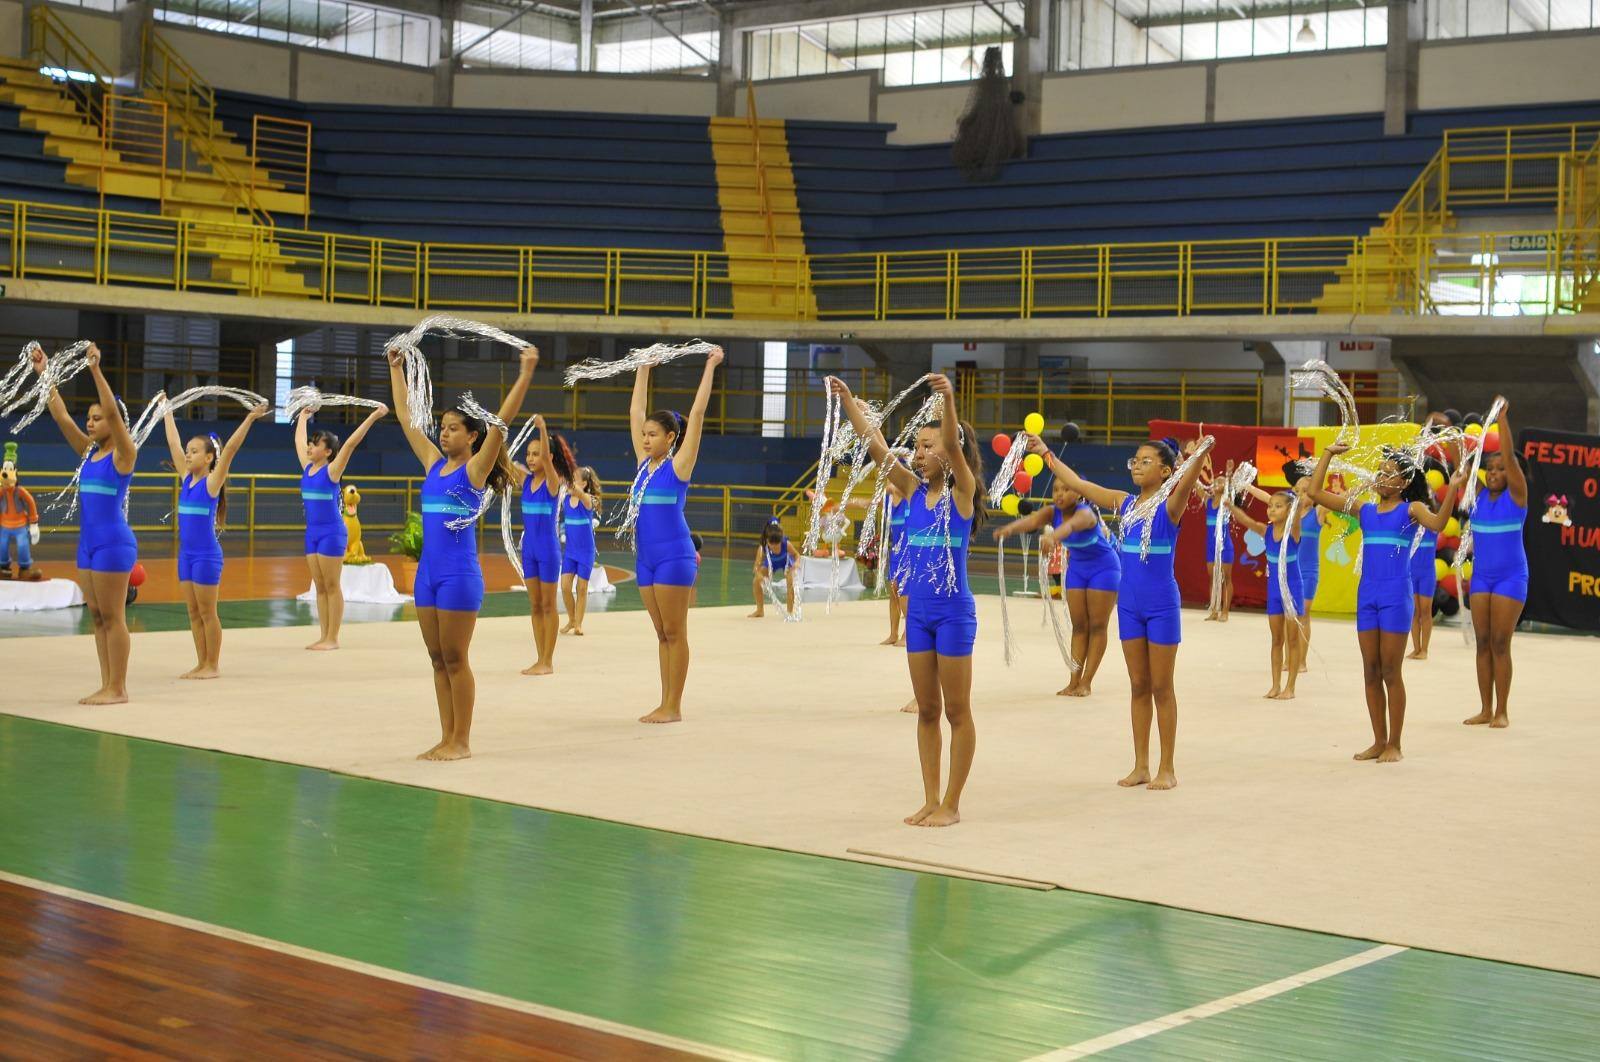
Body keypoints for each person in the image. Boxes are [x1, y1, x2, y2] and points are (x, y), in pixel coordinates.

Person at [830, 373, 984, 827]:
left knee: (957, 711)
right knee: (927, 712)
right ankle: (931, 797)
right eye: (916, 446)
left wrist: (949, 399)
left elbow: (956, 449)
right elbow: (875, 444)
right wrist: (848, 404)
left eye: (927, 446)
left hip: (954, 614)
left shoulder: (962, 495)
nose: (918, 454)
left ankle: (953, 803)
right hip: (919, 616)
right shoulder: (913, 493)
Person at [386, 343, 533, 760]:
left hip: (458, 578)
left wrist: (523, 375)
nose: (443, 432)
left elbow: (501, 425)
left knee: (455, 657)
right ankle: (446, 735)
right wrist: (396, 368)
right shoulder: (432, 464)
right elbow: (403, 415)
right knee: (436, 659)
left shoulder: (474, 471)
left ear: (472, 436)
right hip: (428, 577)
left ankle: (462, 740)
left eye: (453, 428)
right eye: (442, 426)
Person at [1048, 437, 1208, 790]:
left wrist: (1199, 455)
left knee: (1162, 687)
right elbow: (1079, 484)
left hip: (1162, 606)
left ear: (1165, 471)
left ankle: (1167, 767)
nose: (1136, 465)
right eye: (1134, 460)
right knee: (1138, 686)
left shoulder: (1169, 508)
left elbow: (1186, 483)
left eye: (1146, 461)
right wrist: (1045, 453)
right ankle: (1141, 766)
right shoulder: (1125, 504)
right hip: (1131, 607)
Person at [1306, 442, 1465, 763]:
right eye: (1379, 471)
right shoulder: (1364, 510)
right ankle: (1378, 740)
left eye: (1388, 473)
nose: (1380, 476)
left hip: (1395, 597)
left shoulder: (1411, 510)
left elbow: (1437, 523)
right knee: (1370, 671)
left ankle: (1396, 743)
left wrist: (1454, 490)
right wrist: (1328, 454)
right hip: (1368, 597)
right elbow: (1315, 493)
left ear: (1404, 483)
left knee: (1391, 671)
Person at [30, 343, 138, 704]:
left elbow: (113, 411)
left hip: (113, 544)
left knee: (113, 615)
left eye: (97, 418)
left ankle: (118, 688)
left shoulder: (125, 455)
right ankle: (107, 683)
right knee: (97, 617)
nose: (89, 423)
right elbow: (60, 415)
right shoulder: (89, 454)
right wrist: (44, 373)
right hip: (88, 544)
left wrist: (94, 369)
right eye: (88, 418)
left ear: (115, 421)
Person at [629, 347, 723, 724]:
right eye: (644, 435)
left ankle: (673, 705)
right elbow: (636, 413)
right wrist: (642, 370)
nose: (646, 438)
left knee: (674, 631)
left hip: (674, 556)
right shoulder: (642, 467)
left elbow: (698, 414)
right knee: (661, 634)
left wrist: (710, 366)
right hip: (646, 558)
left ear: (671, 437)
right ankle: (664, 701)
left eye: (653, 434)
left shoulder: (678, 466)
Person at [993, 437, 1121, 697]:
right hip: (1078, 569)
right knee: (1079, 626)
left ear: (1079, 492)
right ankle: (1073, 679)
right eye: (1056, 490)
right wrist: (1008, 529)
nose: (1060, 494)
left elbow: (1069, 528)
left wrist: (1053, 536)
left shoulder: (1086, 513)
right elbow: (1031, 521)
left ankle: (1087, 681)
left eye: (1066, 489)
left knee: (1097, 626)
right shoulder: (1053, 511)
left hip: (1104, 569)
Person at [161, 399, 274, 679]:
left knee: (208, 612)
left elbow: (232, 449)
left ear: (209, 458)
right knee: (192, 612)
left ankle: (213, 665)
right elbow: (173, 443)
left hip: (206, 556)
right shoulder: (186, 478)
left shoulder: (211, 483)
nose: (187, 455)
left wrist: (249, 419)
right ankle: (201, 663)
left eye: (194, 451)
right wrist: (166, 412)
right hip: (186, 556)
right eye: (188, 451)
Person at [297, 401, 386, 650]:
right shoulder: (307, 469)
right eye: (310, 443)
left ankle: (333, 638)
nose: (309, 446)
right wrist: (303, 416)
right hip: (312, 534)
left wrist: (374, 416)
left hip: (331, 533)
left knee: (332, 585)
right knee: (320, 586)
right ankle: (323, 635)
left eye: (315, 444)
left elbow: (349, 444)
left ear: (327, 452)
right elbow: (298, 440)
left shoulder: (332, 472)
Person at [1464, 399, 1529, 729]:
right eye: (1490, 469)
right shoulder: (1475, 498)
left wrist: (1502, 421)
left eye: (1501, 468)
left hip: (1510, 578)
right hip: (1482, 578)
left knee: (1501, 644)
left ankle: (1502, 710)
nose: (1494, 473)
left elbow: (1508, 455)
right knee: (1483, 642)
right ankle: (1485, 708)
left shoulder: (1517, 496)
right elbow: (1468, 464)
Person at [510, 413, 574, 675]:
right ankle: (539, 658)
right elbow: (502, 456)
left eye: (536, 454)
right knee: (535, 606)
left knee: (548, 605)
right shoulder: (525, 481)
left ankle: (548, 660)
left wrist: (543, 428)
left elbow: (548, 459)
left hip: (547, 550)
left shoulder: (552, 483)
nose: (531, 458)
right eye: (529, 454)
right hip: (530, 551)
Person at [1228, 486, 1305, 700]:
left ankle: (1290, 688)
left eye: (1278, 507)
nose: (1271, 510)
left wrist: (1299, 496)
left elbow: (1297, 511)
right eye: (1270, 506)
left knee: (1292, 640)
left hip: (1293, 588)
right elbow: (1247, 522)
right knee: (1276, 640)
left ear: (1289, 511)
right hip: (1274, 591)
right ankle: (1275, 685)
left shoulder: (1294, 531)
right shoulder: (1266, 531)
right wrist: (1231, 507)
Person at [559, 465, 601, 636]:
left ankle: (578, 624)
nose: (571, 482)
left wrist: (568, 483)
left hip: (585, 552)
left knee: (582, 588)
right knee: (565, 587)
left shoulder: (587, 500)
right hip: (570, 552)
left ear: (583, 484)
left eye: (574, 479)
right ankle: (571, 619)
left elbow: (579, 493)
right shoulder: (566, 500)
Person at [749, 519, 798, 618]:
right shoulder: (762, 548)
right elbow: (756, 567)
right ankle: (760, 610)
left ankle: (790, 613)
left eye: (777, 545)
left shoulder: (786, 544)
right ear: (767, 541)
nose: (775, 548)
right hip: (771, 563)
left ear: (781, 540)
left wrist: (796, 563)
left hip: (786, 562)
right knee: (756, 581)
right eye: (772, 545)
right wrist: (759, 575)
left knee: (790, 582)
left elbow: (797, 555)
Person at [1408, 520, 1439, 661]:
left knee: (1425, 611)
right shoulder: (1410, 528)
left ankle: (1424, 649)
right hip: (1412, 573)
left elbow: (1440, 519)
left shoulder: (1432, 528)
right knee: (1415, 611)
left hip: (1427, 575)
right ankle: (1416, 648)